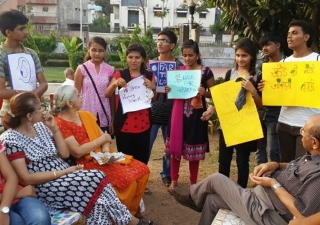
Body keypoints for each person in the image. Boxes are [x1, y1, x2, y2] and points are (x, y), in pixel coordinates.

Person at [0, 92, 153, 225]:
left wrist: (54, 129)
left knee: (98, 202)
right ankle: (128, 220)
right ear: (29, 116)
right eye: (39, 108)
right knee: (97, 176)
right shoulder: (12, 139)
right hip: (46, 185)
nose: (43, 111)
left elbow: (65, 154)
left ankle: (128, 221)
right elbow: (26, 179)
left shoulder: (40, 127)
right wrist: (65, 172)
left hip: (65, 176)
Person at [173, 114, 320, 225]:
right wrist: (275, 165)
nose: (301, 134)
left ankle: (193, 199)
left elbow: (302, 213)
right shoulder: (311, 157)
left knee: (216, 179)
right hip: (261, 199)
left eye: (303, 131)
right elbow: (293, 167)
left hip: (268, 213)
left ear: (314, 143)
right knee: (212, 200)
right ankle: (197, 201)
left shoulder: (318, 176)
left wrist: (273, 184)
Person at [54, 85, 150, 217]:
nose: (81, 96)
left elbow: (104, 137)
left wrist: (105, 151)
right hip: (85, 163)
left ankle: (131, 212)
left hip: (103, 157)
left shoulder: (85, 115)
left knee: (142, 169)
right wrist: (101, 141)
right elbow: (77, 152)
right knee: (127, 180)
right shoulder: (60, 123)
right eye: (78, 95)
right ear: (69, 103)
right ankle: (120, 217)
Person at [259, 20, 320, 163]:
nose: (289, 37)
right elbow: (277, 92)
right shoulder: (283, 65)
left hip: (308, 124)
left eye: (294, 33)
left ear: (306, 37)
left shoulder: (317, 60)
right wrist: (266, 88)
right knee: (285, 166)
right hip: (284, 122)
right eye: (288, 34)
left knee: (304, 167)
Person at [164, 39, 215, 193]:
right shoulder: (179, 71)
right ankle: (174, 180)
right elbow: (173, 92)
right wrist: (169, 89)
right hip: (178, 115)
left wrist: (204, 92)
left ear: (198, 55)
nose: (187, 58)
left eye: (191, 55)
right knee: (175, 148)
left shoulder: (206, 72)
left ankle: (193, 182)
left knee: (193, 151)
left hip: (197, 116)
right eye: (185, 55)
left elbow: (215, 93)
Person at [215, 38, 262, 188]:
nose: (240, 59)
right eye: (238, 55)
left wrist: (252, 90)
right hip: (228, 124)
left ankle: (241, 192)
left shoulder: (258, 75)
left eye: (244, 56)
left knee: (242, 161)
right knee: (224, 160)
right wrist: (212, 110)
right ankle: (222, 190)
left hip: (245, 125)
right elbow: (224, 98)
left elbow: (260, 105)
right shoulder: (230, 73)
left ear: (252, 57)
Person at [105, 44, 155, 165]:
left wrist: (152, 87)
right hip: (124, 125)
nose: (133, 60)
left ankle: (141, 183)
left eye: (137, 57)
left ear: (143, 59)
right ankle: (129, 184)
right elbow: (107, 94)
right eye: (130, 57)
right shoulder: (120, 75)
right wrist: (114, 84)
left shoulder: (149, 75)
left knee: (142, 159)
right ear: (126, 58)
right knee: (125, 160)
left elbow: (153, 100)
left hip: (144, 123)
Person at [149, 29, 184, 187]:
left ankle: (167, 174)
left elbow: (184, 89)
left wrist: (175, 88)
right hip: (152, 111)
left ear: (172, 45)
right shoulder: (150, 66)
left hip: (171, 112)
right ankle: (141, 173)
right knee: (146, 145)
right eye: (158, 40)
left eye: (163, 40)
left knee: (169, 147)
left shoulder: (179, 66)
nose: (159, 43)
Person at [0, 10, 48, 122]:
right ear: (8, 32)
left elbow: (44, 84)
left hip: (34, 111)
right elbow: (1, 92)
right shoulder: (1, 54)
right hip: (11, 113)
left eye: (25, 28)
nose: (26, 32)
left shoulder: (31, 53)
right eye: (21, 29)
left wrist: (31, 99)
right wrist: (27, 96)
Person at [255, 32, 286, 164]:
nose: (264, 48)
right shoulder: (260, 67)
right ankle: (260, 179)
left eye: (268, 44)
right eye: (263, 46)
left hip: (278, 112)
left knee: (273, 150)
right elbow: (257, 91)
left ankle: (274, 179)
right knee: (259, 149)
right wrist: (259, 88)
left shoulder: (288, 65)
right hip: (261, 112)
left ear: (278, 45)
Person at [0, 143, 51, 225]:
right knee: (17, 222)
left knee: (40, 219)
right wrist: (19, 193)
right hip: (17, 193)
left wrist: (4, 210)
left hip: (13, 193)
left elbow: (11, 177)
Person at [74, 37, 114, 133]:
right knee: (87, 145)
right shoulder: (82, 69)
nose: (97, 53)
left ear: (105, 51)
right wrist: (74, 116)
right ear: (88, 49)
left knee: (104, 146)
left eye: (101, 50)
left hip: (104, 114)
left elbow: (112, 96)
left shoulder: (110, 70)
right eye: (94, 50)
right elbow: (75, 95)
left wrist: (112, 118)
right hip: (85, 114)